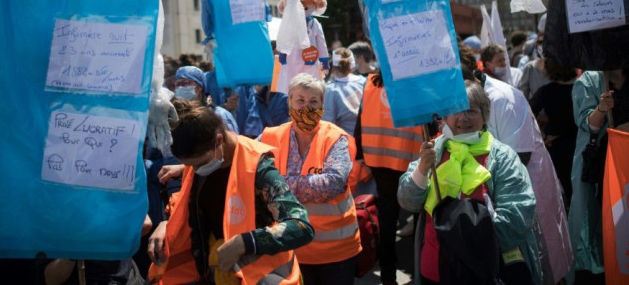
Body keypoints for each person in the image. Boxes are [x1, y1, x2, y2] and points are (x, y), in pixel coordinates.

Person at [147, 99, 313, 284]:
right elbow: (191, 203)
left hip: (262, 277)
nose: (195, 171)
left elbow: (301, 226)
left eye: (199, 164)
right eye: (188, 167)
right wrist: (166, 225)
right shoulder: (200, 164)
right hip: (214, 274)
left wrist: (247, 242)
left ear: (219, 140)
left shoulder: (259, 168)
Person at [397, 80, 542, 285]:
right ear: (444, 117)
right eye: (456, 110)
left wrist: (464, 238)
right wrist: (421, 170)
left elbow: (518, 216)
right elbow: (408, 201)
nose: (463, 118)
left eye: (471, 111)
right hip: (434, 268)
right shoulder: (432, 152)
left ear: (484, 116)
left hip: (482, 270)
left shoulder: (502, 157)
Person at [461, 46, 573, 284]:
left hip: (523, 189)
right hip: (491, 196)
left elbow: (518, 156)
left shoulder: (502, 97)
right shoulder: (463, 101)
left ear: (470, 76)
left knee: (538, 265)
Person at [260, 73, 361, 284]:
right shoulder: (270, 136)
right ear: (289, 101)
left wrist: (276, 184)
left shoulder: (335, 137)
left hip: (335, 251)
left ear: (323, 103)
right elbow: (243, 159)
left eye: (313, 101)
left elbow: (332, 184)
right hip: (288, 246)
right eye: (300, 100)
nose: (307, 107)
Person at [568, 66, 629, 283]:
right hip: (601, 165)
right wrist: (601, 109)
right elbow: (586, 124)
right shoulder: (590, 81)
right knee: (605, 220)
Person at [355, 72, 424, 285]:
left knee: (387, 218)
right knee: (420, 218)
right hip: (412, 160)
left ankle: (388, 275)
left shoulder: (370, 82)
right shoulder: (416, 81)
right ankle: (420, 271)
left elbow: (360, 121)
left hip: (379, 158)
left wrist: (360, 155)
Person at [529, 57, 578, 208]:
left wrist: (541, 138)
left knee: (567, 190)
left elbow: (527, 116)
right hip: (582, 143)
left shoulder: (546, 91)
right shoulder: (583, 87)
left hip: (557, 145)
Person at [172, 65, 238, 133]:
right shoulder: (174, 117)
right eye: (177, 84)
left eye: (185, 83)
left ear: (199, 87)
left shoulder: (220, 115)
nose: (180, 87)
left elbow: (231, 141)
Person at [324, 48, 366, 136]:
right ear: (353, 65)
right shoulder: (364, 82)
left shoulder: (330, 89)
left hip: (346, 143)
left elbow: (328, 122)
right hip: (367, 138)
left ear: (334, 66)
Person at [518, 32, 550, 101]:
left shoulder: (562, 67)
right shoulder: (530, 68)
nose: (543, 45)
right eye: (540, 42)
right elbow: (524, 95)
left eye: (546, 41)